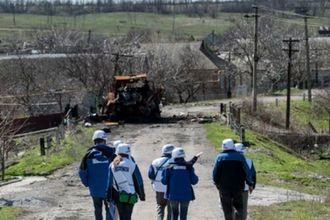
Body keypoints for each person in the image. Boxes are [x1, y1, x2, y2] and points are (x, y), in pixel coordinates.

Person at [212, 139, 254, 220]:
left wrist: (216, 183)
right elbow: (246, 171)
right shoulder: (240, 157)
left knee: (227, 209)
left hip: (224, 188)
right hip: (238, 187)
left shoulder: (219, 158)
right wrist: (250, 183)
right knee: (239, 208)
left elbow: (214, 173)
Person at [79, 130, 116, 220]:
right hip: (109, 189)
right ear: (104, 141)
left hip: (95, 189)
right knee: (109, 210)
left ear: (94, 141)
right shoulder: (111, 154)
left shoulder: (88, 155)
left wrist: (87, 183)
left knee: (97, 210)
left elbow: (82, 172)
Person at [108, 143, 145, 220]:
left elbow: (109, 182)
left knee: (122, 216)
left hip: (117, 194)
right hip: (130, 193)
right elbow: (138, 181)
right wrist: (141, 194)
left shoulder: (112, 165)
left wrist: (108, 196)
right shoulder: (132, 164)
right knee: (127, 216)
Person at [161, 147, 199, 220]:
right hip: (186, 196)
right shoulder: (188, 167)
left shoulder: (169, 167)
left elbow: (164, 181)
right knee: (183, 215)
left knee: (174, 215)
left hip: (173, 196)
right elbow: (194, 181)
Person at [148, 144, 175, 220]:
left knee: (160, 206)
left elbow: (150, 175)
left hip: (159, 188)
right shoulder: (175, 162)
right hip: (171, 189)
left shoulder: (155, 162)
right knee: (170, 209)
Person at [235, 143, 256, 220]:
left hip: (231, 189)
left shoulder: (228, 161)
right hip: (244, 189)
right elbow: (253, 175)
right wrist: (252, 186)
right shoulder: (249, 161)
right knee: (243, 210)